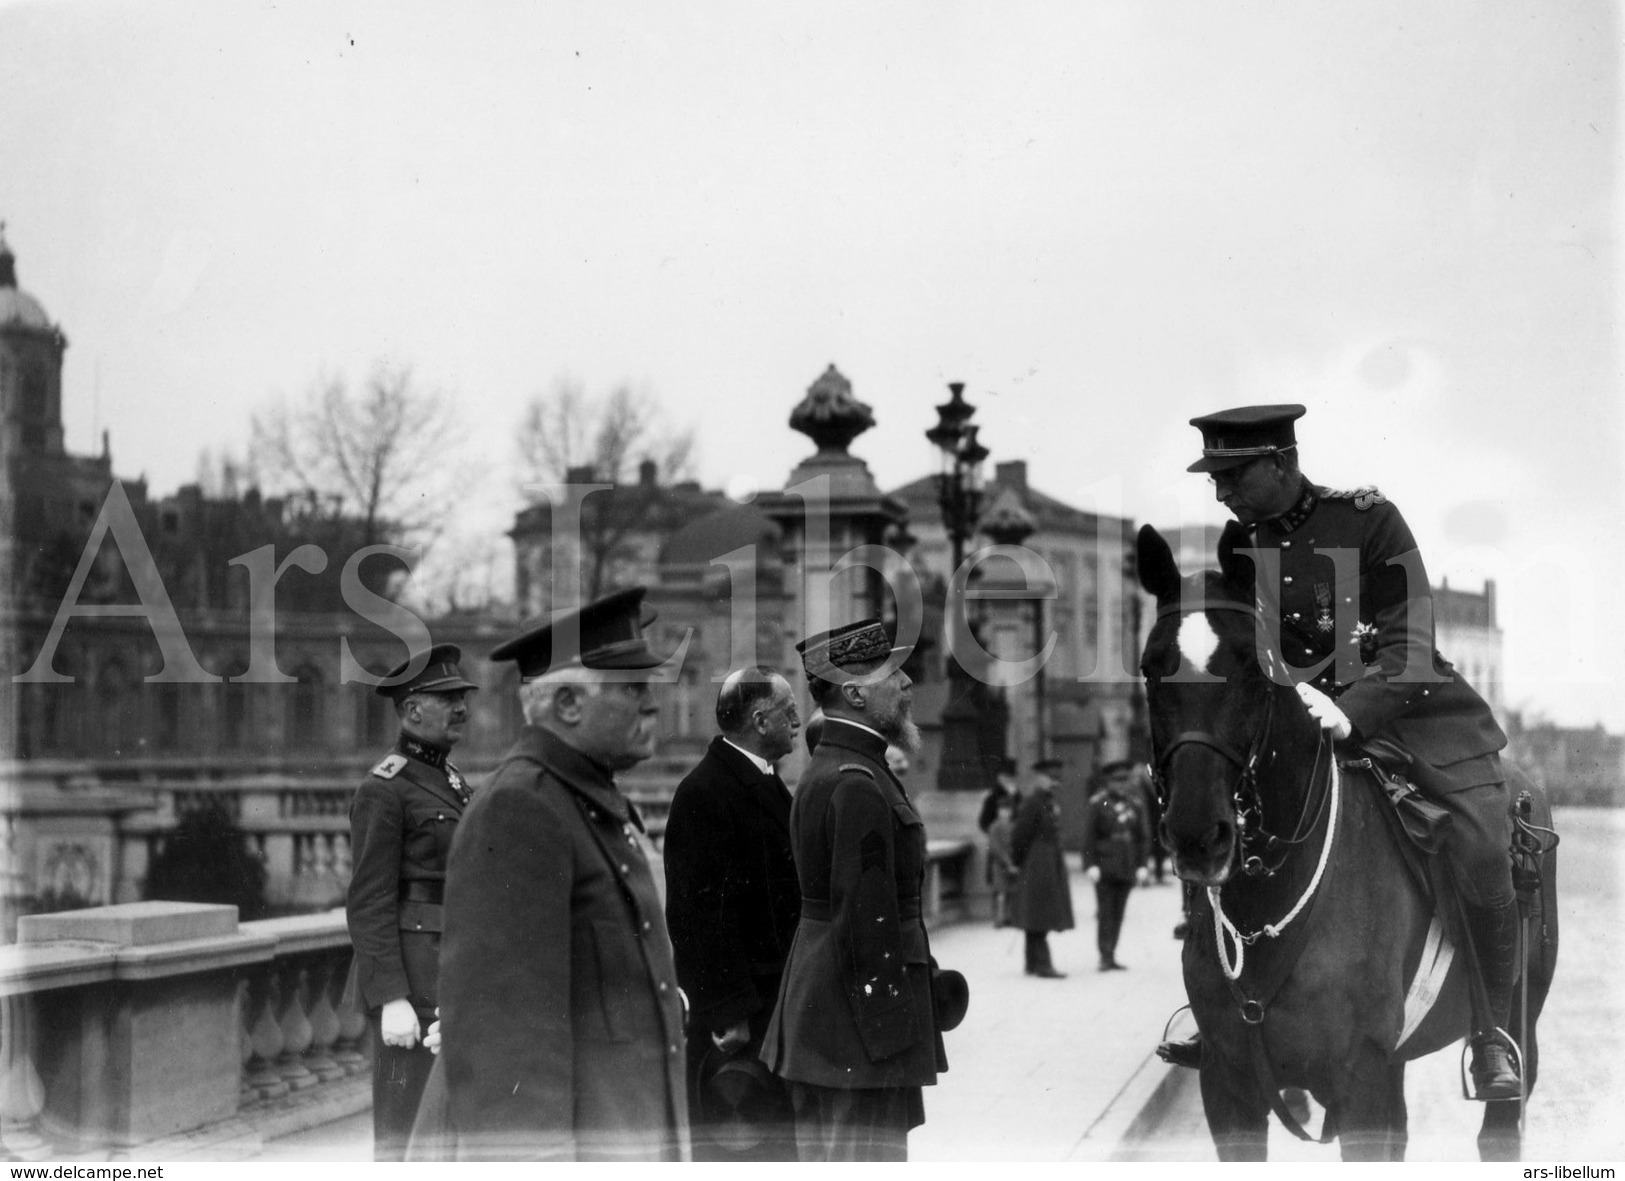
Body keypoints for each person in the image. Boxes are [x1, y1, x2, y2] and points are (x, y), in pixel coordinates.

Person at [1159, 403, 1522, 1101]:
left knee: (1481, 843)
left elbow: (1410, 642)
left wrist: (1350, 710)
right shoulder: (1242, 542)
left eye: (1232, 474)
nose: (1221, 492)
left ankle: (1489, 1032)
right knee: (1206, 802)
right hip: (1296, 720)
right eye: (1214, 478)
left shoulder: (1368, 519)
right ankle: (1217, 1008)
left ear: (1281, 462)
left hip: (1408, 712)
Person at [430, 587, 689, 1159]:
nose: (653, 705)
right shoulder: (520, 810)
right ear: (569, 704)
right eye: (633, 688)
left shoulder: (586, 801)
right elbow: (506, 1043)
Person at [761, 618, 961, 1161]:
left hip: (828, 1021)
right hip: (856, 1034)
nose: (907, 684)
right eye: (892, 673)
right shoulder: (859, 783)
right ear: (853, 692)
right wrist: (891, 1041)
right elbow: (864, 920)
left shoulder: (836, 769)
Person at [344, 643, 478, 1160]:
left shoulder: (450, 780)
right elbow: (369, 900)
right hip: (414, 985)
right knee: (404, 1132)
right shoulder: (385, 788)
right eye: (449, 698)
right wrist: (390, 998)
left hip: (450, 972)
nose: (463, 708)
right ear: (412, 709)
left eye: (463, 696)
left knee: (447, 1130)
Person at [663, 666, 802, 1161]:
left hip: (765, 1001)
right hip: (739, 1014)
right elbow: (696, 915)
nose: (799, 721)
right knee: (739, 1143)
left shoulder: (757, 780)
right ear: (760, 721)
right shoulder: (706, 791)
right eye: (789, 712)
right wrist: (728, 1010)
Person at [1008, 757, 1075, 978]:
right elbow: (1020, 836)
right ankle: (1043, 964)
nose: (1054, 783)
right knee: (1040, 912)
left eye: (1057, 779)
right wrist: (1018, 863)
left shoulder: (1046, 800)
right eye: (1050, 778)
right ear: (1039, 778)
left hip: (1047, 862)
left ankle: (1031, 962)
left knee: (1037, 911)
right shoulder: (1033, 802)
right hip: (1036, 864)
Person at [1082, 760, 1152, 971]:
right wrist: (1090, 864)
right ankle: (1104, 954)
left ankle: (1112, 953)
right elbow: (1089, 837)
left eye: (1124, 781)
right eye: (1116, 781)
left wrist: (1142, 865)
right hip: (1105, 864)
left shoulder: (1136, 804)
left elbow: (1143, 837)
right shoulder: (1098, 803)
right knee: (1106, 912)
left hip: (1127, 863)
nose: (1121, 785)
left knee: (1119, 911)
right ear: (1107, 782)